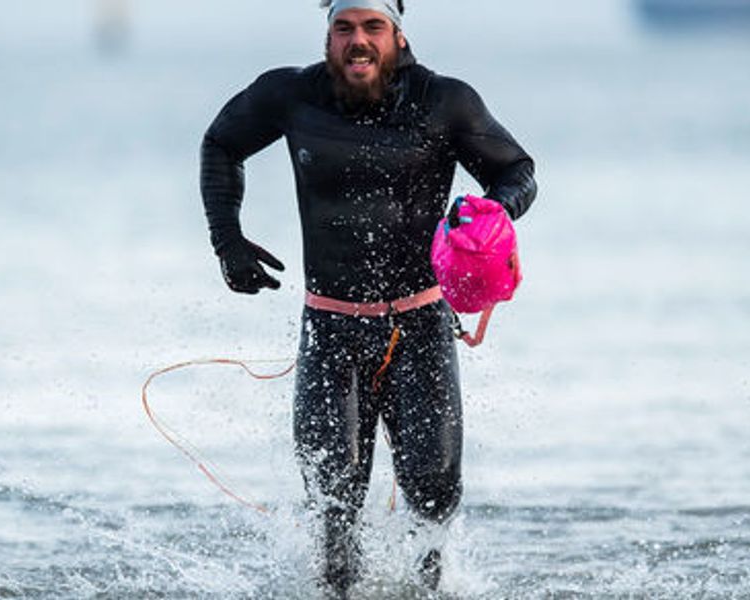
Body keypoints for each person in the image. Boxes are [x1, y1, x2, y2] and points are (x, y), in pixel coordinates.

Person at [200, 1, 537, 596]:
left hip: (421, 328)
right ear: (328, 34)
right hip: (329, 332)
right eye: (344, 27)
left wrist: (492, 213)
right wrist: (228, 241)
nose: (358, 41)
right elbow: (221, 144)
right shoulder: (291, 95)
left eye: (372, 27)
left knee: (434, 496)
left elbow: (516, 171)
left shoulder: (445, 102)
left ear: (398, 35)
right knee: (334, 501)